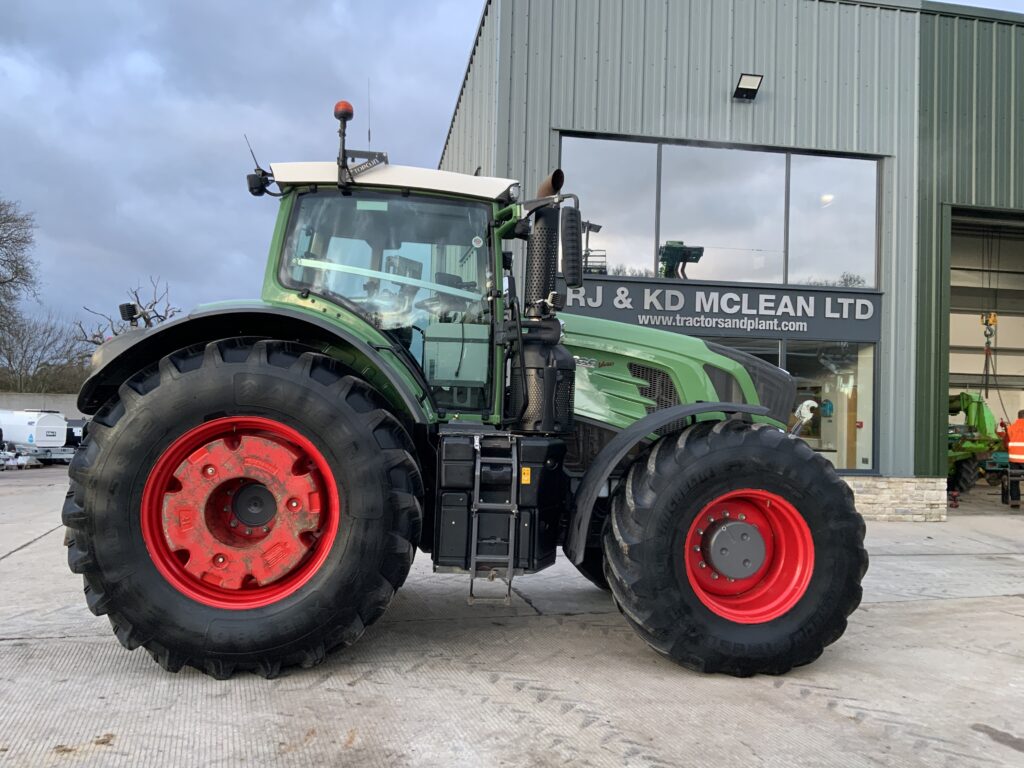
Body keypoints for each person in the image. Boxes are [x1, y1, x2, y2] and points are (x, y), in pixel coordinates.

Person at [1006, 409, 1024, 509]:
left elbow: (1006, 442)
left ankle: (1015, 503)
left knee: (1014, 482)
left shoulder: (1011, 427)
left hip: (1014, 459)